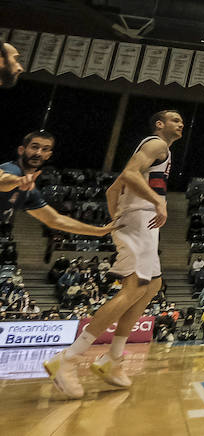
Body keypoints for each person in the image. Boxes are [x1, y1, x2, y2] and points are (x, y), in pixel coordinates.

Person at [45, 110, 183, 398]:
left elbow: (112, 189)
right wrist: (156, 203)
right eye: (174, 119)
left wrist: (117, 219)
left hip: (136, 221)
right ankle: (68, 359)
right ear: (159, 124)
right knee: (132, 289)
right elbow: (129, 174)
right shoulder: (156, 144)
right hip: (141, 220)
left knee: (152, 285)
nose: (180, 123)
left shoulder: (159, 152)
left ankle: (114, 358)